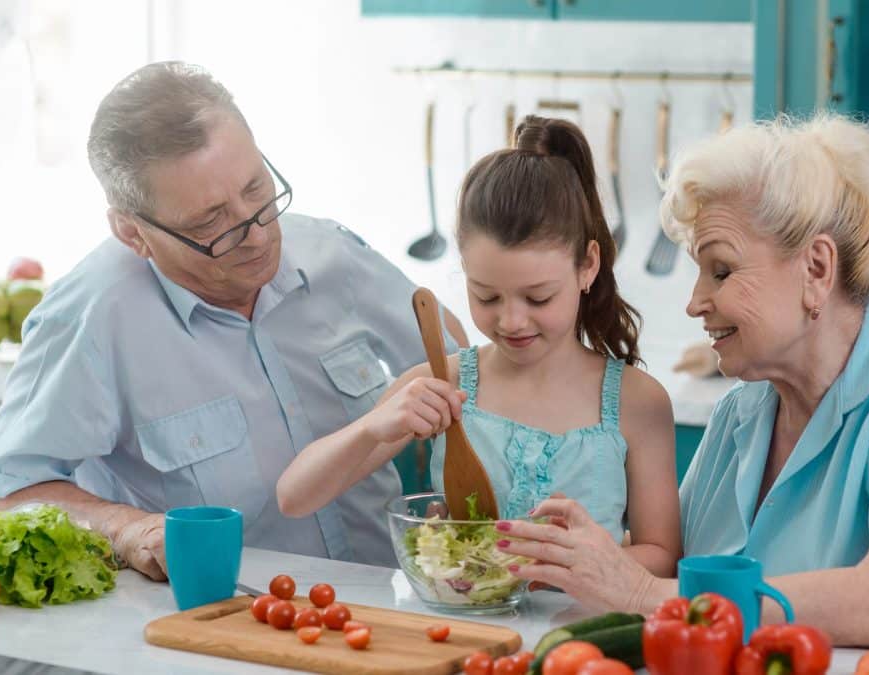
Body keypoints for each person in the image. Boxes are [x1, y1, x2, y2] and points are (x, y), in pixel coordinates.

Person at [495, 113, 869, 660]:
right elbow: (680, 573)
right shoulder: (741, 413)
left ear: (816, 268)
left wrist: (644, 596)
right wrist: (563, 560)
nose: (695, 302)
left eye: (720, 271)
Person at [0, 61, 467, 577]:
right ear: (133, 233)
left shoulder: (332, 254)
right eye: (210, 222)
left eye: (256, 190)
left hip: (387, 610)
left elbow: (462, 366)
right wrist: (127, 528)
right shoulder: (90, 319)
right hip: (221, 623)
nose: (256, 234)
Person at [278, 116, 682, 577]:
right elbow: (295, 497)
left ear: (587, 266)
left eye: (538, 297)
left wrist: (550, 568)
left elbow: (662, 556)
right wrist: (375, 426)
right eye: (486, 296)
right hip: (457, 637)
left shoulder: (636, 401)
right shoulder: (443, 382)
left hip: (580, 645)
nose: (510, 321)